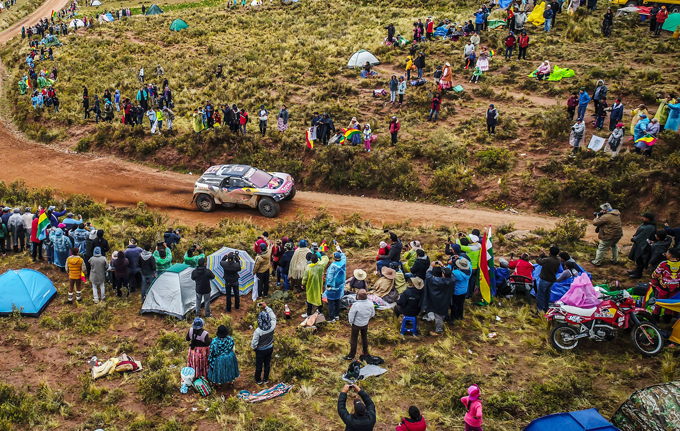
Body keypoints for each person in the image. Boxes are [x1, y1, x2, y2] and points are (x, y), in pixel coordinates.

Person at [422, 262, 456, 335]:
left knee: (438, 316)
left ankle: (439, 330)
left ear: (443, 274)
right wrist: (442, 266)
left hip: (439, 300)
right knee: (443, 312)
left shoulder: (438, 281)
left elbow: (428, 276)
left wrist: (431, 266)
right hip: (447, 299)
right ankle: (443, 319)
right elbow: (450, 274)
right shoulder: (453, 279)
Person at [343, 289, 375, 360]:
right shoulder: (370, 303)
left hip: (356, 325)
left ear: (358, 296)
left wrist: (352, 323)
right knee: (364, 338)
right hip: (365, 323)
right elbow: (372, 314)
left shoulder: (356, 305)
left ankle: (351, 355)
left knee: (354, 340)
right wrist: (366, 319)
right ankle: (365, 352)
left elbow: (351, 316)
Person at [650, 247, 680, 321]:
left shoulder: (663, 264)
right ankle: (667, 319)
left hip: (663, 287)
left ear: (670, 255)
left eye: (667, 252)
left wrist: (653, 284)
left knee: (659, 302)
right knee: (670, 304)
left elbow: (655, 274)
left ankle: (655, 318)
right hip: (676, 288)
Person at [251, 302, 276, 384]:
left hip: (260, 350)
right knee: (267, 364)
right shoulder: (272, 326)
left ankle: (258, 380)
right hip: (269, 347)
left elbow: (254, 342)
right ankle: (266, 379)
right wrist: (267, 307)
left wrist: (254, 348)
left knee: (259, 365)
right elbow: (273, 317)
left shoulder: (258, 331)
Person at [628, 212, 657, 279]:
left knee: (641, 259)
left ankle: (639, 274)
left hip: (644, 246)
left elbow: (643, 236)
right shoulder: (647, 224)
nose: (643, 218)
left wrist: (634, 239)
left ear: (648, 219)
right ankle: (636, 270)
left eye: (644, 217)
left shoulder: (650, 227)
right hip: (640, 244)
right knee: (638, 259)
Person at [302, 252, 330, 317]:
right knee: (319, 297)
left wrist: (303, 284)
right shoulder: (321, 265)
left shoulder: (308, 267)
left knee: (309, 299)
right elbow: (326, 260)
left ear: (311, 260)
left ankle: (309, 313)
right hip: (318, 285)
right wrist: (322, 253)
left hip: (310, 286)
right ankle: (319, 311)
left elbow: (305, 277)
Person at [536, 246, 560, 312]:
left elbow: (539, 261)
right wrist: (545, 254)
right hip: (551, 280)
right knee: (547, 295)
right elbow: (549, 259)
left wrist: (541, 255)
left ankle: (539, 310)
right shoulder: (558, 260)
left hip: (544, 279)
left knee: (540, 295)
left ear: (550, 252)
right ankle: (545, 308)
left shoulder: (548, 260)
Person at [326, 245, 347, 322]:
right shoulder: (343, 263)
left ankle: (332, 318)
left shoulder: (333, 266)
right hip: (340, 285)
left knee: (331, 301)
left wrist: (328, 285)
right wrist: (338, 248)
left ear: (334, 258)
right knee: (337, 300)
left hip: (333, 286)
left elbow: (330, 277)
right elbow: (344, 256)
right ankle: (337, 315)